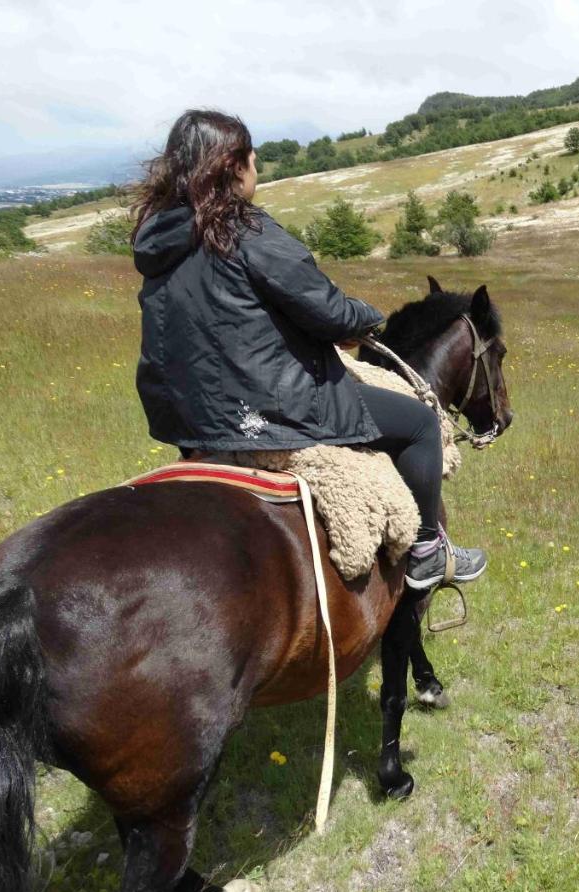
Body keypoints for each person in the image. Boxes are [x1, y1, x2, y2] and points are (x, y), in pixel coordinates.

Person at [131, 109, 486, 591]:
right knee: (421, 423)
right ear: (234, 165)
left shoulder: (158, 241)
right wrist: (366, 316)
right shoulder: (246, 232)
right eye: (252, 158)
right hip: (268, 409)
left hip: (186, 417)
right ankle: (426, 551)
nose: (257, 167)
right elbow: (327, 312)